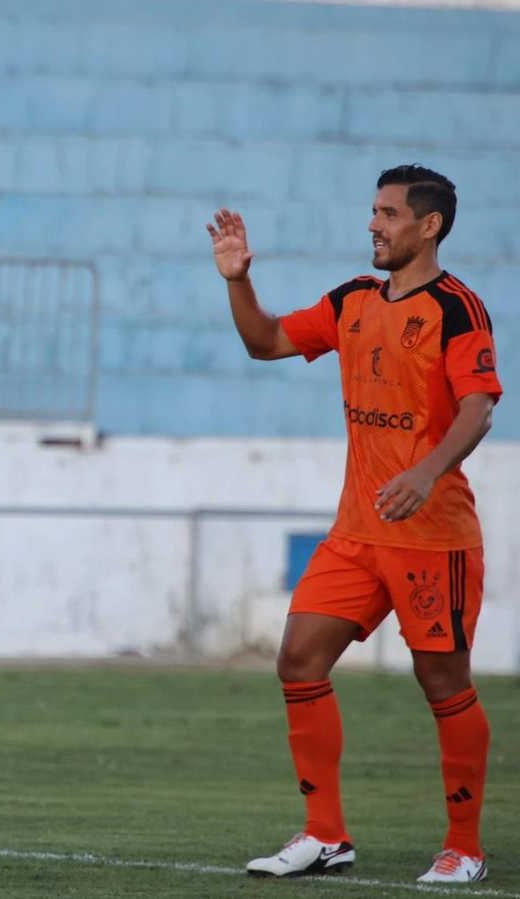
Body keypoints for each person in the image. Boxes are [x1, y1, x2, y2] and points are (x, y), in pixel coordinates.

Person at [209, 165, 499, 885]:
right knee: (299, 658)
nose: (373, 223)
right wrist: (237, 280)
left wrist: (426, 470)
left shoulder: (459, 308)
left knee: (443, 682)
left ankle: (464, 845)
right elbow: (266, 341)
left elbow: (479, 406)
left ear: (428, 226)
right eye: (372, 210)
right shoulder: (352, 301)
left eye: (389, 213)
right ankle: (325, 834)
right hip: (357, 533)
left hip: (433, 536)